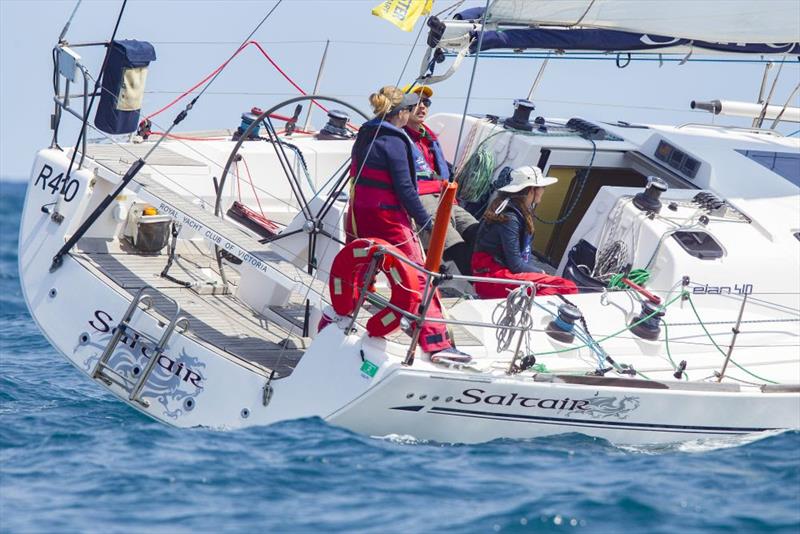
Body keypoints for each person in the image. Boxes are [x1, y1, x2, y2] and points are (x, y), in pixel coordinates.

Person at [346, 85, 470, 362]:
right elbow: (405, 189)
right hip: (389, 218)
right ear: (402, 113)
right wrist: (427, 223)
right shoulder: (396, 141)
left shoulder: (367, 133)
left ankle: (338, 321)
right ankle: (436, 344)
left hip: (359, 213)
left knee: (359, 271)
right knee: (419, 277)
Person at [402, 84, 479, 276]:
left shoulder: (429, 138)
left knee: (479, 234)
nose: (422, 107)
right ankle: (483, 287)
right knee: (456, 245)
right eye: (417, 102)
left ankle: (498, 279)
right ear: (404, 107)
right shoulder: (398, 138)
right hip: (421, 197)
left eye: (426, 102)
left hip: (444, 196)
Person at [471, 165, 579, 299]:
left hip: (497, 273)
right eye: (542, 187)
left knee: (558, 286)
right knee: (565, 287)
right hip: (492, 278)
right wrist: (542, 272)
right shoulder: (510, 218)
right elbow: (516, 264)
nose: (544, 191)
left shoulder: (511, 209)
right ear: (531, 190)